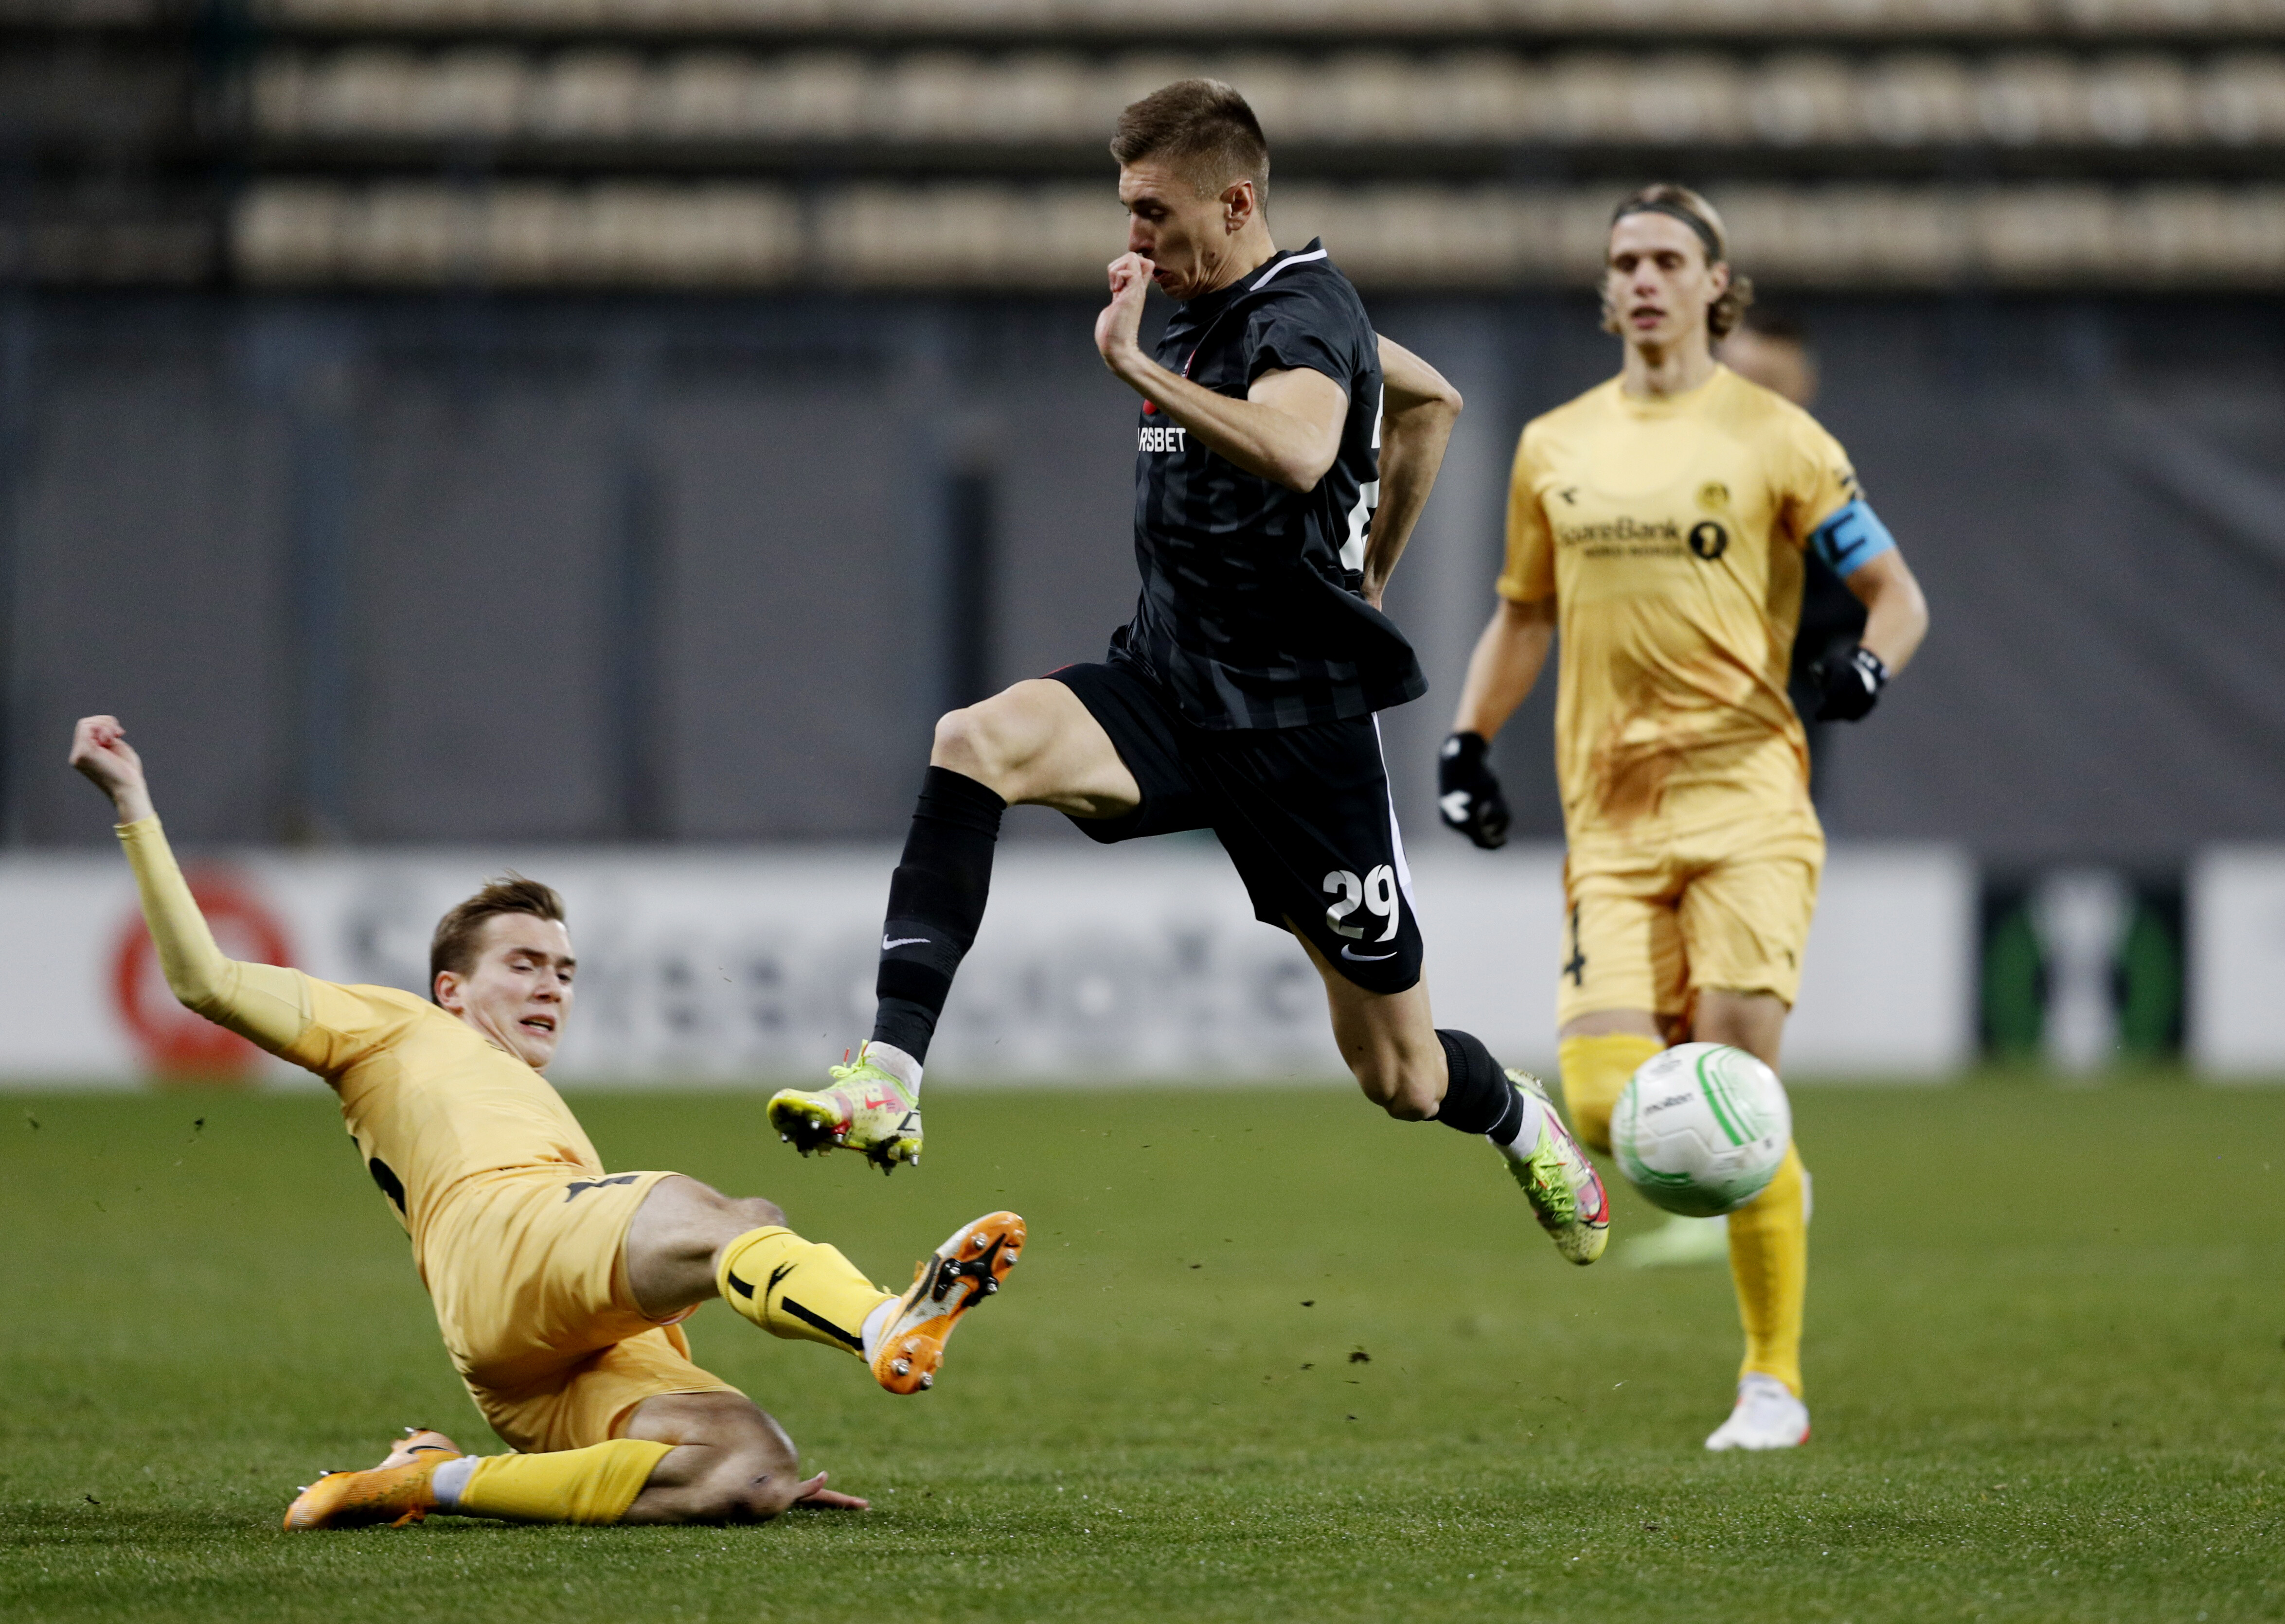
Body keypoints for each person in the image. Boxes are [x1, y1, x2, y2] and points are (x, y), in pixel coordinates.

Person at [764, 78, 1609, 1267]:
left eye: (1154, 211)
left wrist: (1136, 371)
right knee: (975, 739)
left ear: (1236, 198)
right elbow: (1429, 401)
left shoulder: (1304, 309)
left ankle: (1517, 1117)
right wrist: (1370, 568)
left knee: (1402, 1075)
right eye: (1126, 209)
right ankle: (890, 1075)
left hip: (1301, 737)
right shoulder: (1206, 302)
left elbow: (1309, 444)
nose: (1135, 237)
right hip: (1165, 687)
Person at [68, 713, 1023, 1530]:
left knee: (748, 1471)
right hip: (503, 1240)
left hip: (541, 1357)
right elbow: (206, 979)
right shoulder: (395, 1025)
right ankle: (883, 1323)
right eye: (523, 963)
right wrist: (133, 803)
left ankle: (423, 1478)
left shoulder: (533, 1101)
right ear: (451, 987)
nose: (550, 986)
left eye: (564, 971)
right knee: (723, 1213)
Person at [1434, 185, 1930, 1449]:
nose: (1642, 280)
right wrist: (1467, 739)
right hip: (1608, 813)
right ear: (1607, 291)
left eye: (1667, 259)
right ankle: (1754, 1181)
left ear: (1718, 285)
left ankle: (1773, 1381)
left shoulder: (1781, 437)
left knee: (1735, 1079)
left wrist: (1868, 666)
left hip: (1749, 799)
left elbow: (1895, 594)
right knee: (1606, 1102)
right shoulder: (1553, 443)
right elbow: (1525, 613)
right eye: (1623, 262)